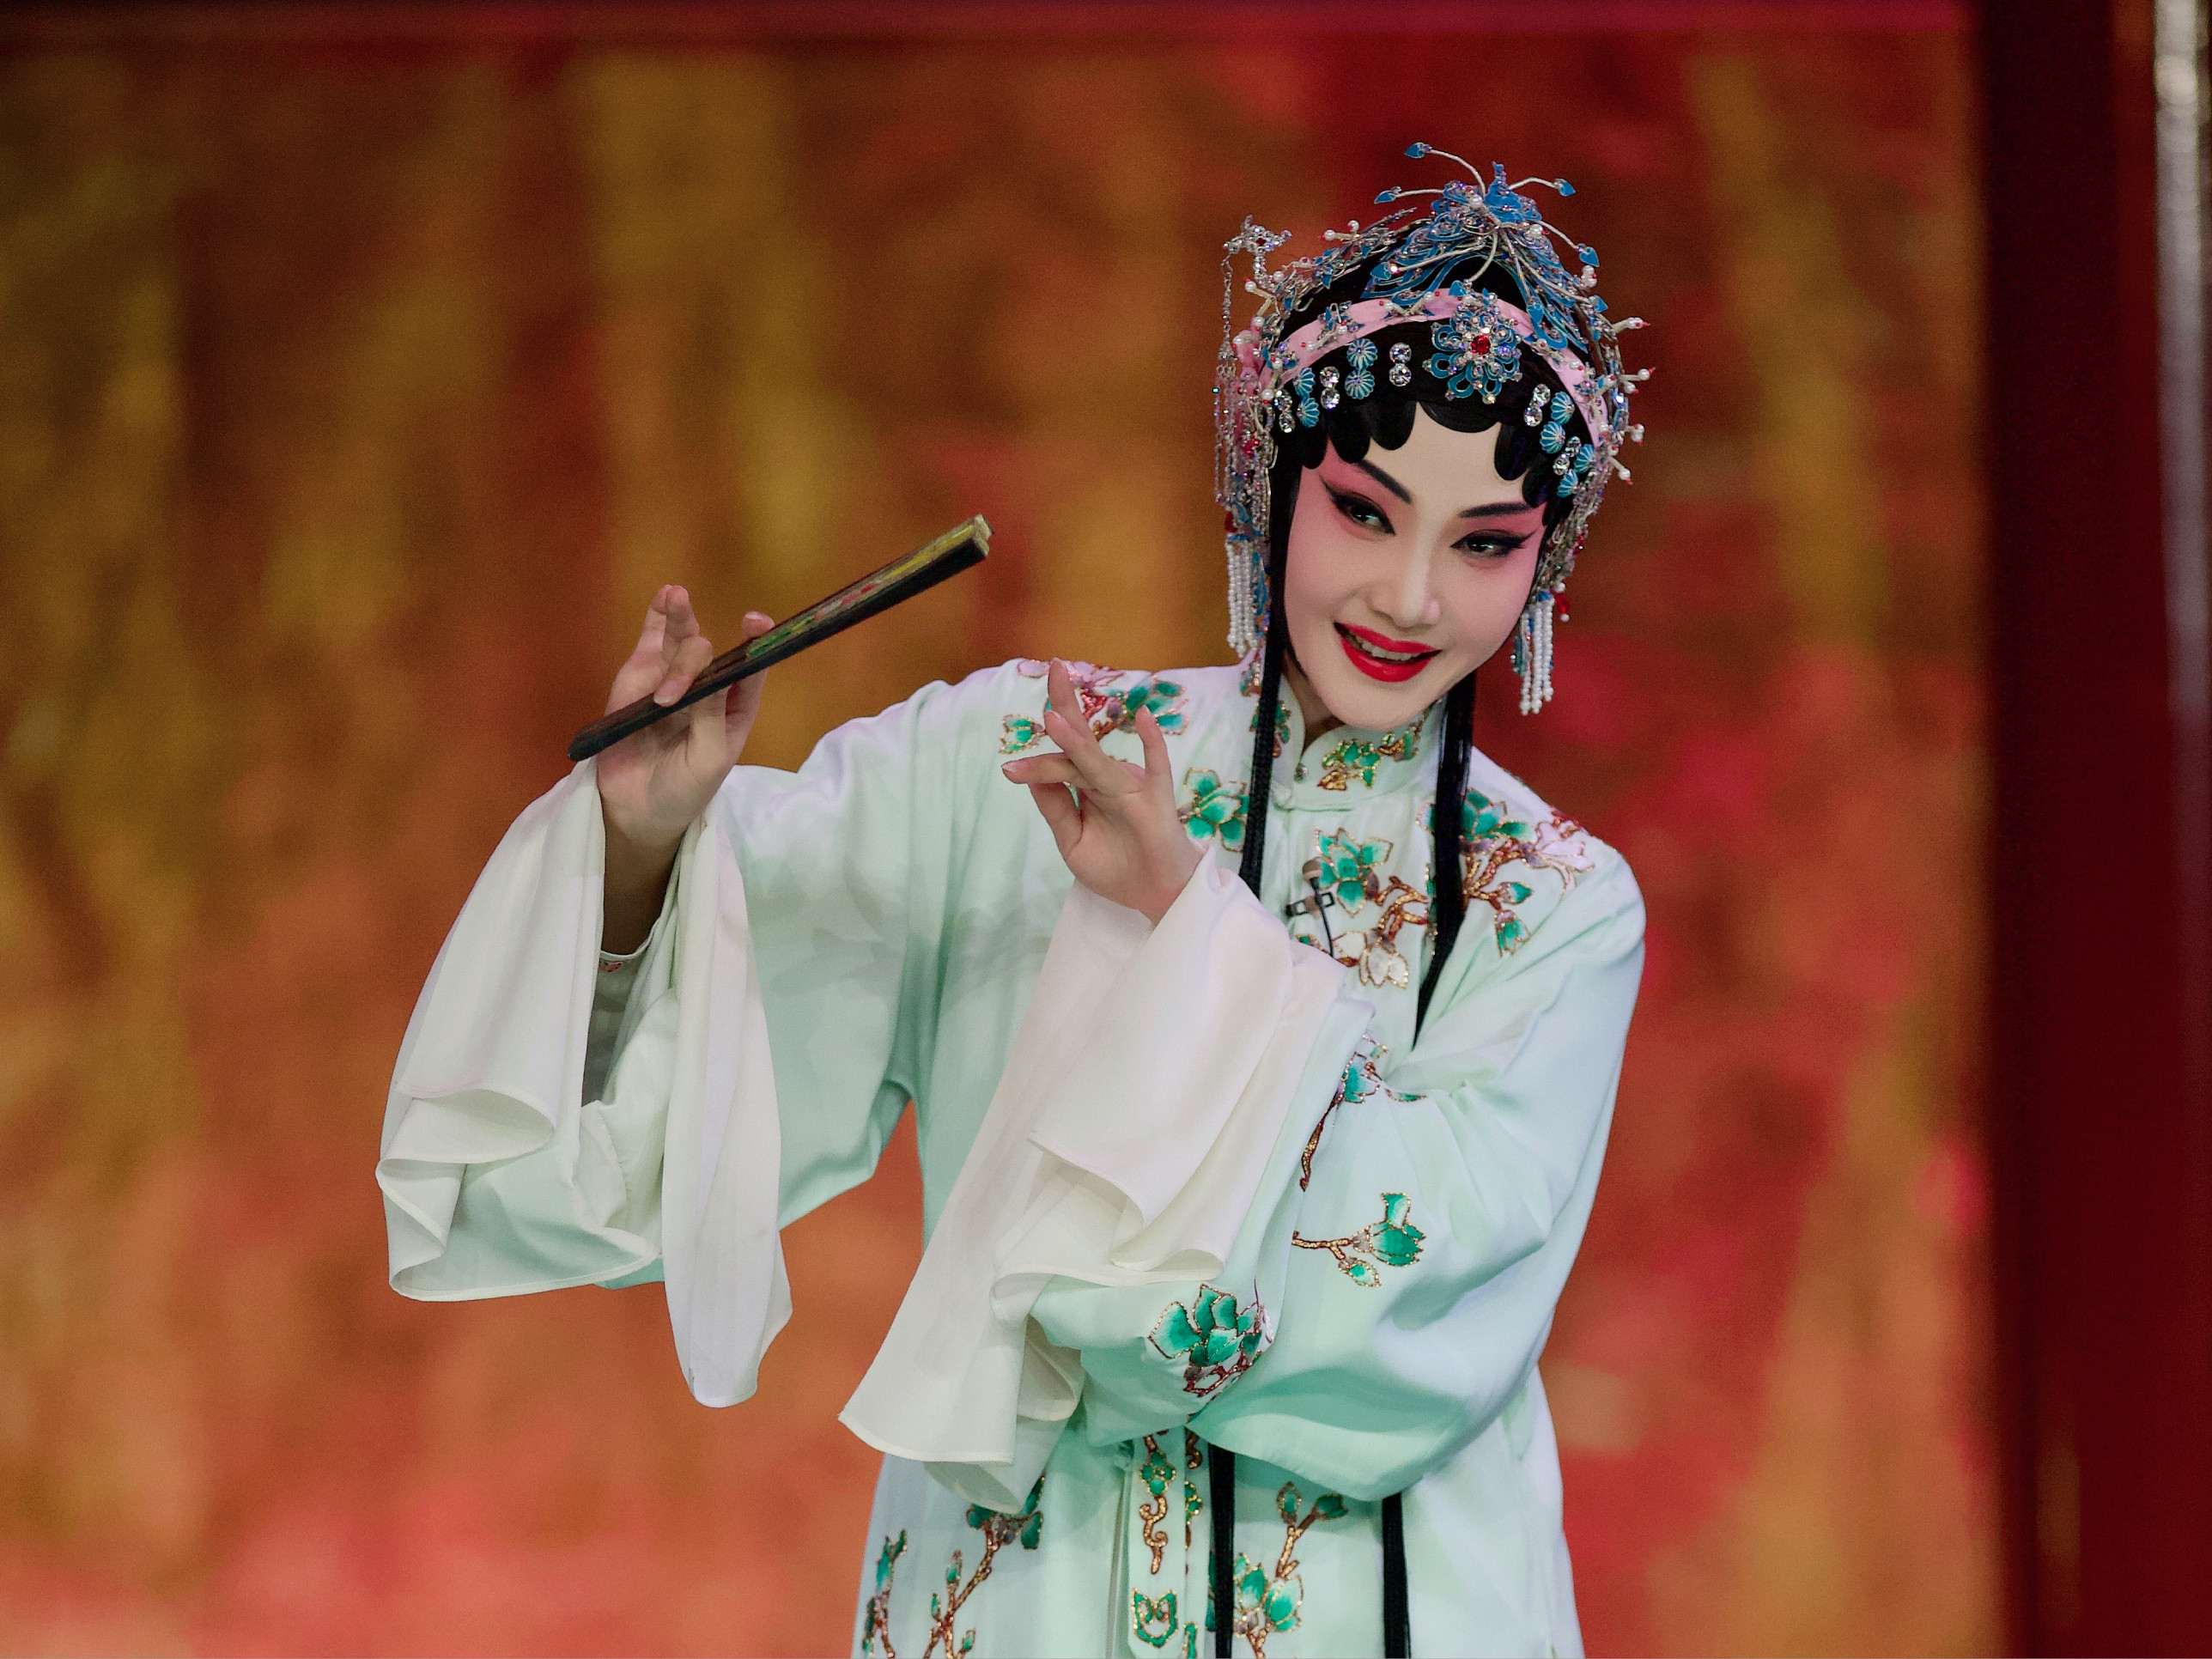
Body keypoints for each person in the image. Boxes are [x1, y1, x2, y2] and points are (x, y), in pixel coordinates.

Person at [379, 144, 1648, 1659]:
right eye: (1367, 514)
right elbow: (703, 1078)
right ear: (1272, 481)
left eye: (1485, 543)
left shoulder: (1553, 906)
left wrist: (1185, 923)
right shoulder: (1024, 764)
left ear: (1546, 562)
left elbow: (1423, 1306)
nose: (1411, 597)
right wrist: (646, 846)